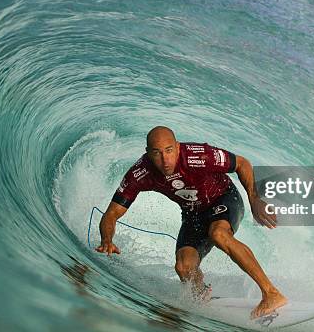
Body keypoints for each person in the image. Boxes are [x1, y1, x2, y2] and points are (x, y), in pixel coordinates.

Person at [96, 126, 287, 318]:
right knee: (184, 267)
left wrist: (254, 199)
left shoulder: (199, 156)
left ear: (178, 147)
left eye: (169, 151)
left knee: (218, 234)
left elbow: (242, 163)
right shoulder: (140, 173)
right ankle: (202, 296)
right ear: (148, 154)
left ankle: (271, 293)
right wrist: (107, 240)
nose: (165, 160)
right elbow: (111, 214)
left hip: (224, 199)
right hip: (193, 214)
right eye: (157, 153)